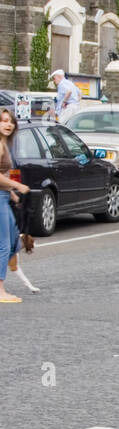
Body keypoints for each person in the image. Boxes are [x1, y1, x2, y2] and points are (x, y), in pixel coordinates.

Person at [0, 108, 32, 303]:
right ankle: (0, 290)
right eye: (4, 121)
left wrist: (12, 194)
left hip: (4, 196)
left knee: (13, 241)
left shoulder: (5, 144)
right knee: (4, 244)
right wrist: (17, 185)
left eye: (11, 121)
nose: (8, 124)